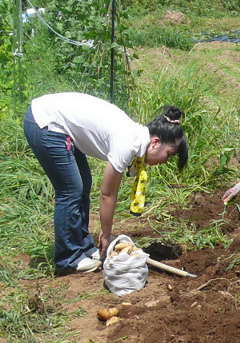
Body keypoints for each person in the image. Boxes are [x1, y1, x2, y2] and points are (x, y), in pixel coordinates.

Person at [23, 92, 188, 275]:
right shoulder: (128, 143)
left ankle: (83, 248)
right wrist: (107, 234)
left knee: (83, 184)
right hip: (45, 123)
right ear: (155, 143)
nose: (165, 161)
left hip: (57, 122)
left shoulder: (134, 136)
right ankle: (68, 259)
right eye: (169, 154)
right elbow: (107, 195)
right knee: (71, 190)